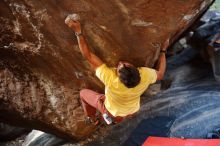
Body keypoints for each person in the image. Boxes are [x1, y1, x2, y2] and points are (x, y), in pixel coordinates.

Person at [65, 19, 169, 125]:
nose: (120, 63)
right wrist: (163, 51)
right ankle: (119, 117)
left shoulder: (111, 79)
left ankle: (92, 118)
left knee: (83, 94)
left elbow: (88, 56)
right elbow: (160, 74)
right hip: (131, 110)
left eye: (119, 68)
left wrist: (78, 32)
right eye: (125, 65)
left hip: (113, 112)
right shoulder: (145, 75)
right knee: (119, 110)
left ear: (118, 78)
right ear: (137, 70)